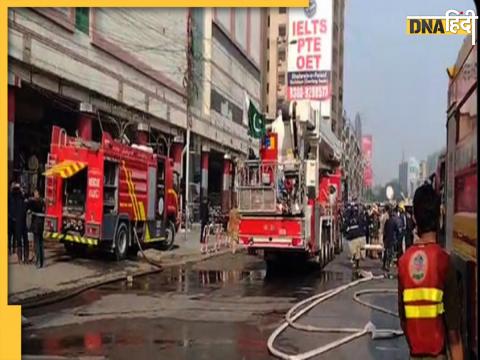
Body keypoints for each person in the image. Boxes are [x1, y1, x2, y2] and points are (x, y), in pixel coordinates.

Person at [398, 184, 463, 360]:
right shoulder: (443, 261)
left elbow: (403, 320)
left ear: (414, 219)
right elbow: (454, 335)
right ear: (439, 218)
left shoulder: (403, 262)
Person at [343, 202, 367, 270]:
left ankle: (355, 263)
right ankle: (357, 264)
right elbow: (363, 225)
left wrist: (346, 234)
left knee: (354, 252)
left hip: (352, 237)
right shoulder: (360, 217)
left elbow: (344, 227)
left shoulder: (348, 219)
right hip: (358, 236)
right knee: (357, 252)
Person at [27, 189, 45, 268]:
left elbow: (29, 207)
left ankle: (38, 262)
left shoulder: (35, 202)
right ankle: (41, 261)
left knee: (37, 244)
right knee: (41, 243)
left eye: (35, 193)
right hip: (41, 225)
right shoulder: (42, 202)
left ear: (37, 194)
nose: (34, 195)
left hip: (36, 226)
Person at [11, 183, 29, 263]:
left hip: (24, 222)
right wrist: (16, 187)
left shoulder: (25, 198)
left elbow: (28, 205)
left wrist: (24, 194)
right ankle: (20, 258)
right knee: (19, 240)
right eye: (22, 189)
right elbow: (12, 192)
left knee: (25, 240)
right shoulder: (16, 196)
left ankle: (26, 257)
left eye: (23, 189)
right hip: (18, 221)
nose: (22, 190)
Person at [382, 205, 399, 272]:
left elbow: (385, 230)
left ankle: (384, 265)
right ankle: (388, 265)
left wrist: (384, 238)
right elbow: (397, 230)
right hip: (392, 239)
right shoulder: (394, 222)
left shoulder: (387, 221)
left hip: (387, 239)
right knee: (390, 253)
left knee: (386, 252)